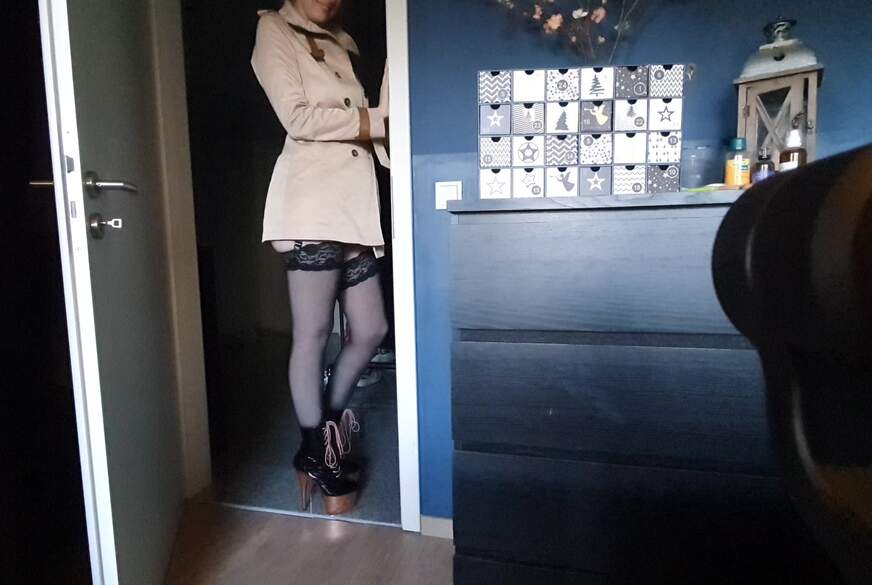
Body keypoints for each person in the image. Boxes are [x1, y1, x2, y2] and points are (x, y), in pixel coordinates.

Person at [251, 0, 390, 515]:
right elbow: (297, 116)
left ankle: (319, 432)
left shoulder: (345, 43)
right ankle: (320, 456)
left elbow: (373, 125)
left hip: (353, 205)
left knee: (371, 329)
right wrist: (374, 121)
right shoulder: (275, 29)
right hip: (312, 200)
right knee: (312, 333)